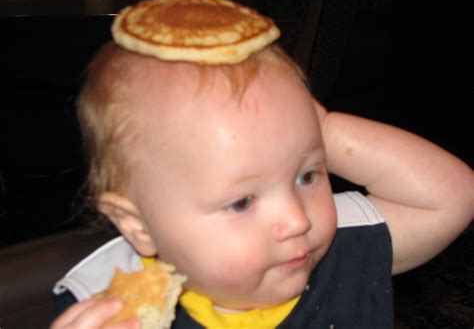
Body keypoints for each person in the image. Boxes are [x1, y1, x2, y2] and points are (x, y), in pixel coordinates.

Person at [51, 41, 473, 329]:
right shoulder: (107, 308)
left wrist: (322, 129)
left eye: (307, 175)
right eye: (241, 202)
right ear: (140, 225)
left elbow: (454, 197)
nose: (295, 219)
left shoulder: (339, 247)